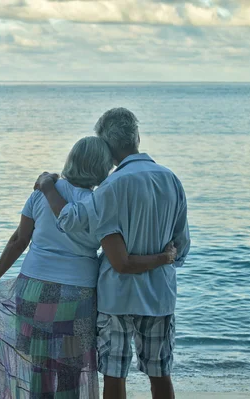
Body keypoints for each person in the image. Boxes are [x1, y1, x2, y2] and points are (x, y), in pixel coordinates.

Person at [0, 136, 177, 399]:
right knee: (70, 371)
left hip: (32, 290)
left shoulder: (40, 193)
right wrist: (162, 257)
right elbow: (117, 254)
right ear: (103, 168)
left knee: (39, 368)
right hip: (76, 296)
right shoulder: (99, 204)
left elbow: (18, 241)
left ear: (71, 159)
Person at [35, 108, 191, 399]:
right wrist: (163, 258)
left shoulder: (110, 187)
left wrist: (47, 186)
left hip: (116, 297)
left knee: (114, 376)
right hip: (160, 295)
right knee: (160, 375)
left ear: (105, 146)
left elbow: (71, 220)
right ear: (137, 138)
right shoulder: (171, 180)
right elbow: (181, 249)